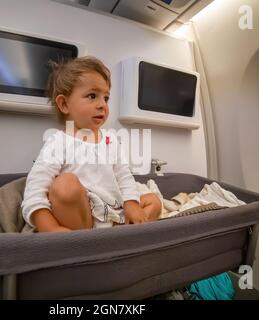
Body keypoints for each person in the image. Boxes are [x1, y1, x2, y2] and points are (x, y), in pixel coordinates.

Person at [21, 56, 161, 232]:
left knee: (154, 201)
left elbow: (124, 176)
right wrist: (51, 228)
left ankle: (122, 233)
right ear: (64, 104)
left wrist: (131, 203)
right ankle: (90, 240)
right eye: (92, 96)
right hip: (82, 219)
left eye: (106, 98)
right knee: (64, 185)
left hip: (113, 211)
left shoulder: (111, 139)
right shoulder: (58, 142)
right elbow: (35, 190)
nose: (102, 105)